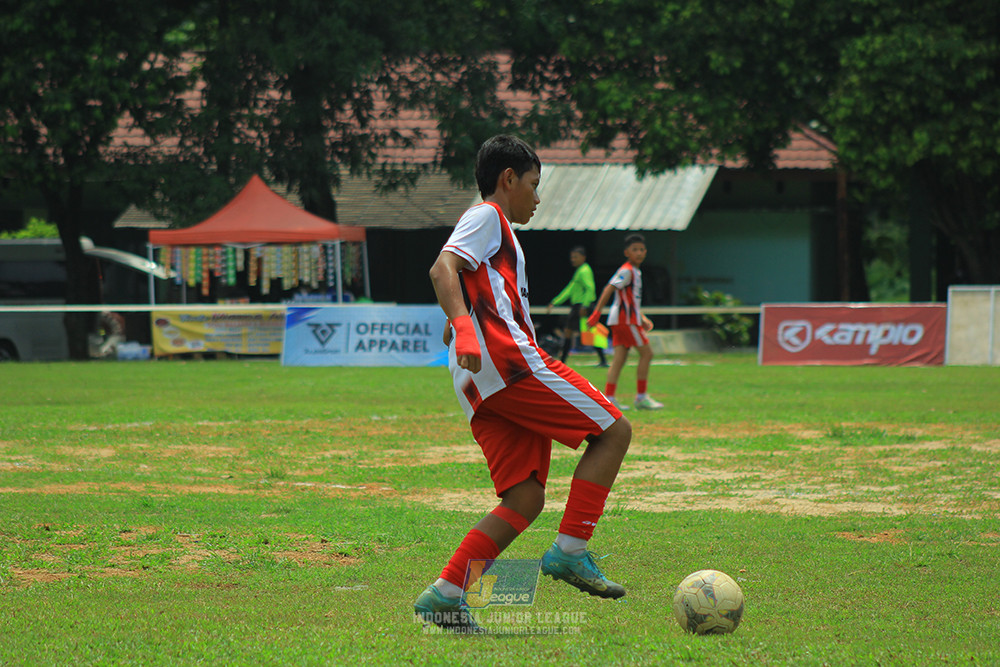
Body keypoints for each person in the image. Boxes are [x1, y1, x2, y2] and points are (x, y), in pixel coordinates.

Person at [416, 135, 632, 634]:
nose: (538, 197)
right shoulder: (488, 215)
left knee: (525, 499)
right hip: (509, 363)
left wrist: (461, 317)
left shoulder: (498, 234)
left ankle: (445, 595)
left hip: (480, 384)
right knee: (614, 432)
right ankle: (571, 550)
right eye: (534, 185)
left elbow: (464, 277)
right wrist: (466, 325)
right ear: (507, 179)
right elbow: (441, 266)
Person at [587, 233, 664, 411]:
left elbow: (630, 299)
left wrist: (642, 318)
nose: (639, 252)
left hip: (626, 320)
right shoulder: (627, 270)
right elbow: (609, 289)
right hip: (626, 321)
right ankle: (641, 397)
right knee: (647, 354)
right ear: (626, 252)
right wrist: (597, 313)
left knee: (619, 359)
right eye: (635, 249)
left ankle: (609, 398)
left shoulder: (635, 271)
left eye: (642, 249)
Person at [546, 246, 608, 367]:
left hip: (582, 306)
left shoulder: (585, 271)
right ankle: (563, 361)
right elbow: (570, 289)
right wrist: (555, 301)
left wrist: (585, 306)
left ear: (583, 257)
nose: (573, 259)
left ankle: (602, 360)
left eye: (575, 257)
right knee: (572, 332)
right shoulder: (579, 271)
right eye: (572, 257)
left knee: (588, 333)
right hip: (577, 306)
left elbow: (590, 288)